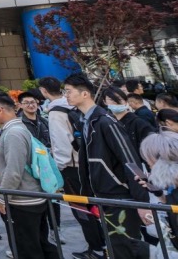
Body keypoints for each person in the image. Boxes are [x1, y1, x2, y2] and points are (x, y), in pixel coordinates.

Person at [64, 74, 152, 257]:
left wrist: (142, 202)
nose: (66, 95)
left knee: (126, 247)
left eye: (69, 91)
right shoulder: (87, 121)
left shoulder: (105, 121)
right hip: (104, 196)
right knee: (117, 246)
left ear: (85, 94)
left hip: (119, 196)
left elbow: (129, 159)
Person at [38, 76, 103, 259]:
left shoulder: (56, 112)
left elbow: (61, 143)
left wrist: (59, 168)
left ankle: (97, 249)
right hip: (87, 164)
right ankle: (103, 245)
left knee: (81, 210)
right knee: (92, 207)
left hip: (71, 168)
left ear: (43, 91)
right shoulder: (74, 107)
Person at [0, 92, 59, 259]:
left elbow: (14, 170)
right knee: (38, 243)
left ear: (0, 109)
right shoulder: (17, 129)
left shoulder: (14, 133)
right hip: (29, 197)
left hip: (23, 201)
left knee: (28, 248)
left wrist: (2, 197)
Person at [138, 132, 178, 250]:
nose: (148, 163)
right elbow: (172, 204)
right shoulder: (172, 185)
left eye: (149, 158)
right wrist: (158, 192)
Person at [101, 87, 154, 153]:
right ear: (104, 102)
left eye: (119, 99)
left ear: (126, 101)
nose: (116, 102)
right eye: (111, 99)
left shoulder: (138, 123)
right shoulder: (106, 123)